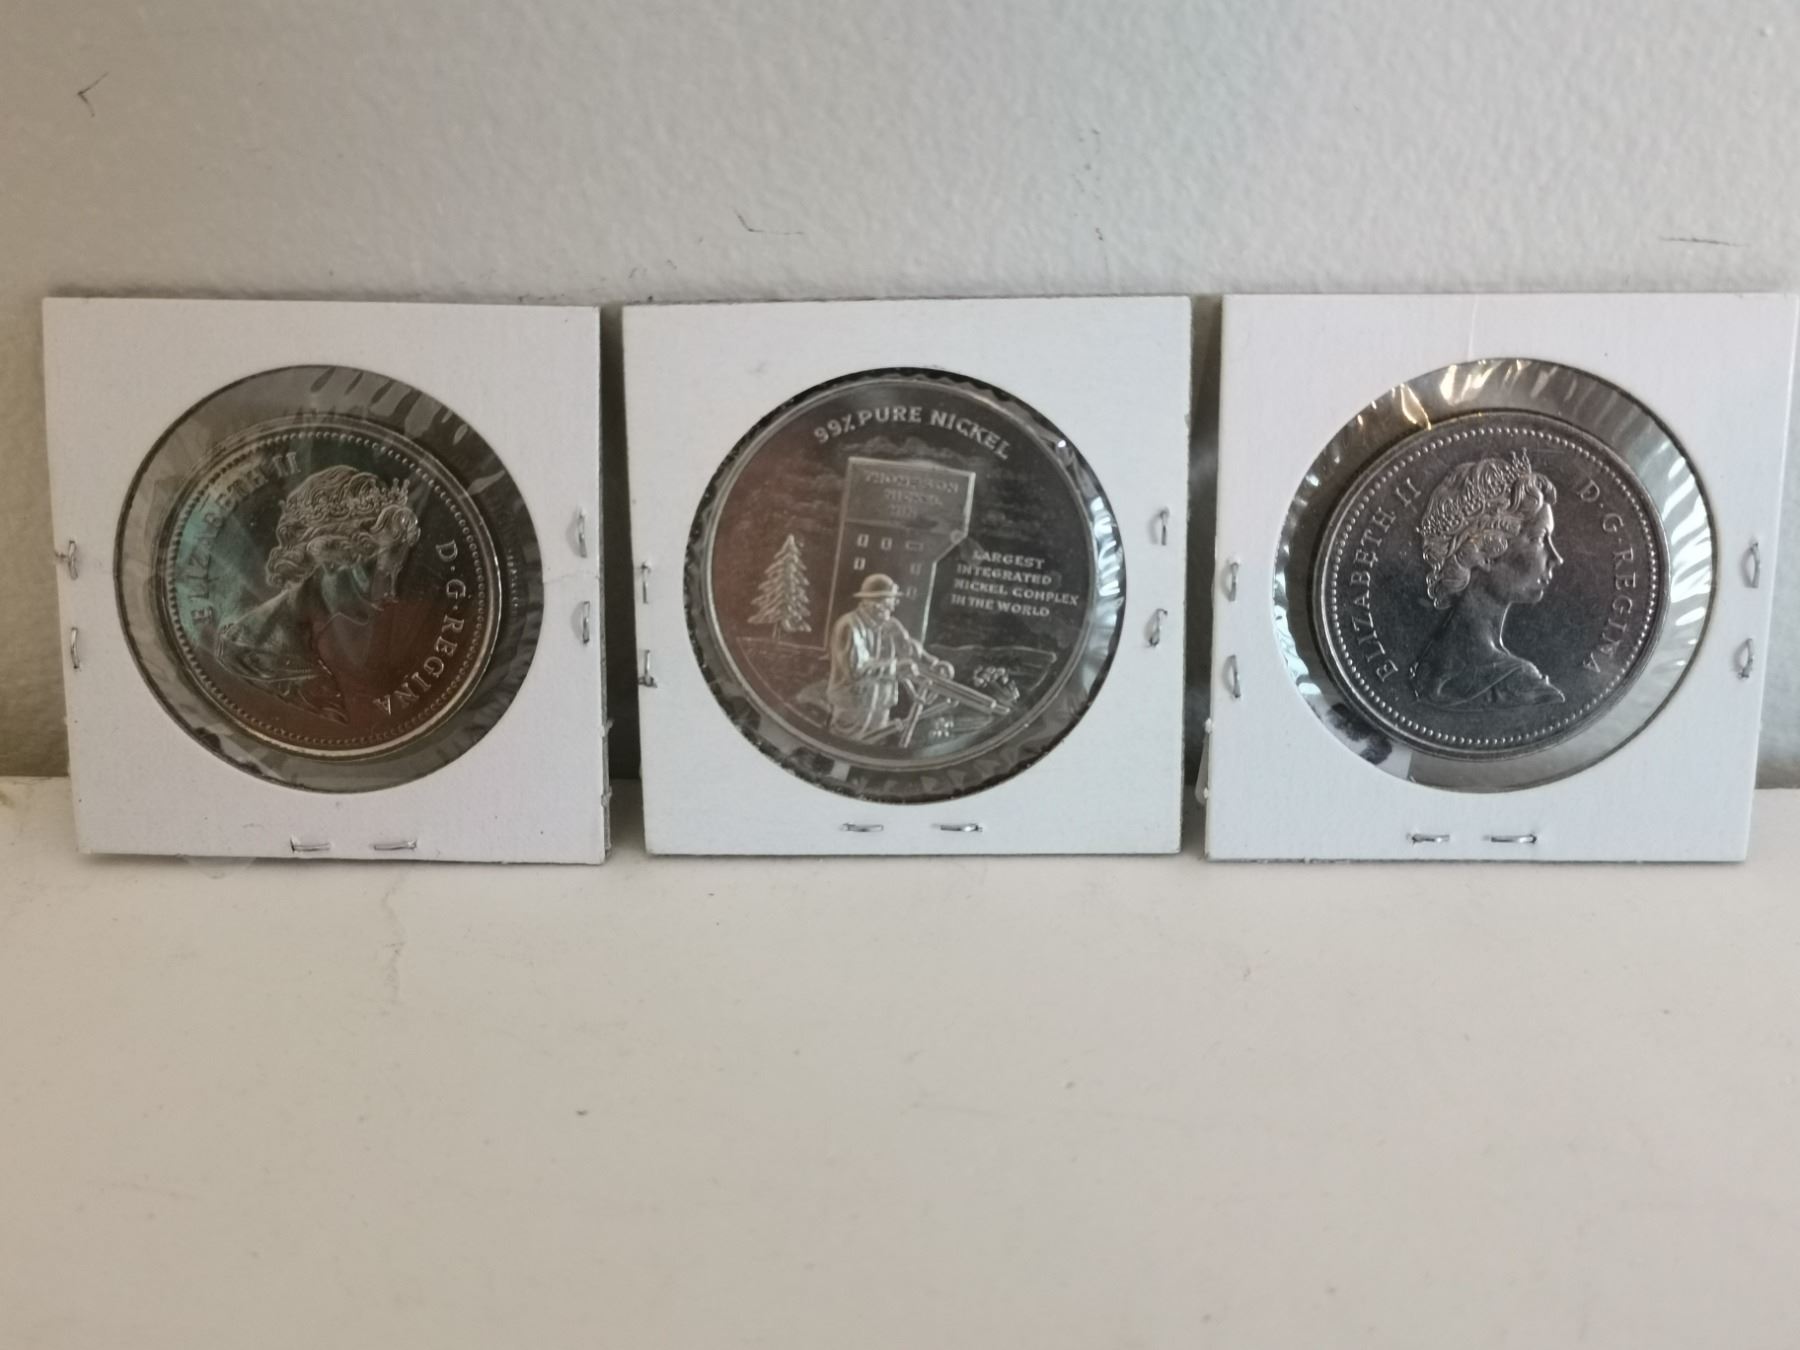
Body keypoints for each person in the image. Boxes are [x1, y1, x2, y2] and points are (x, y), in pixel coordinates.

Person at [214, 465, 420, 721]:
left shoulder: (309, 652)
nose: (391, 593)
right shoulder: (247, 654)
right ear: (330, 556)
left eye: (393, 575)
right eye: (379, 573)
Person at [1409, 449, 1566, 710]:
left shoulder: (1425, 667)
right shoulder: (1520, 684)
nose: (1556, 558)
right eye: (1539, 539)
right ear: (1485, 552)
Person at [826, 574, 952, 740]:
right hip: (854, 707)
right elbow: (856, 669)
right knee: (844, 744)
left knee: (875, 747)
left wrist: (932, 663)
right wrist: (895, 668)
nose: (894, 606)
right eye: (891, 601)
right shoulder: (849, 625)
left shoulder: (890, 624)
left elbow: (908, 648)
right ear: (875, 603)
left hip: (881, 704)